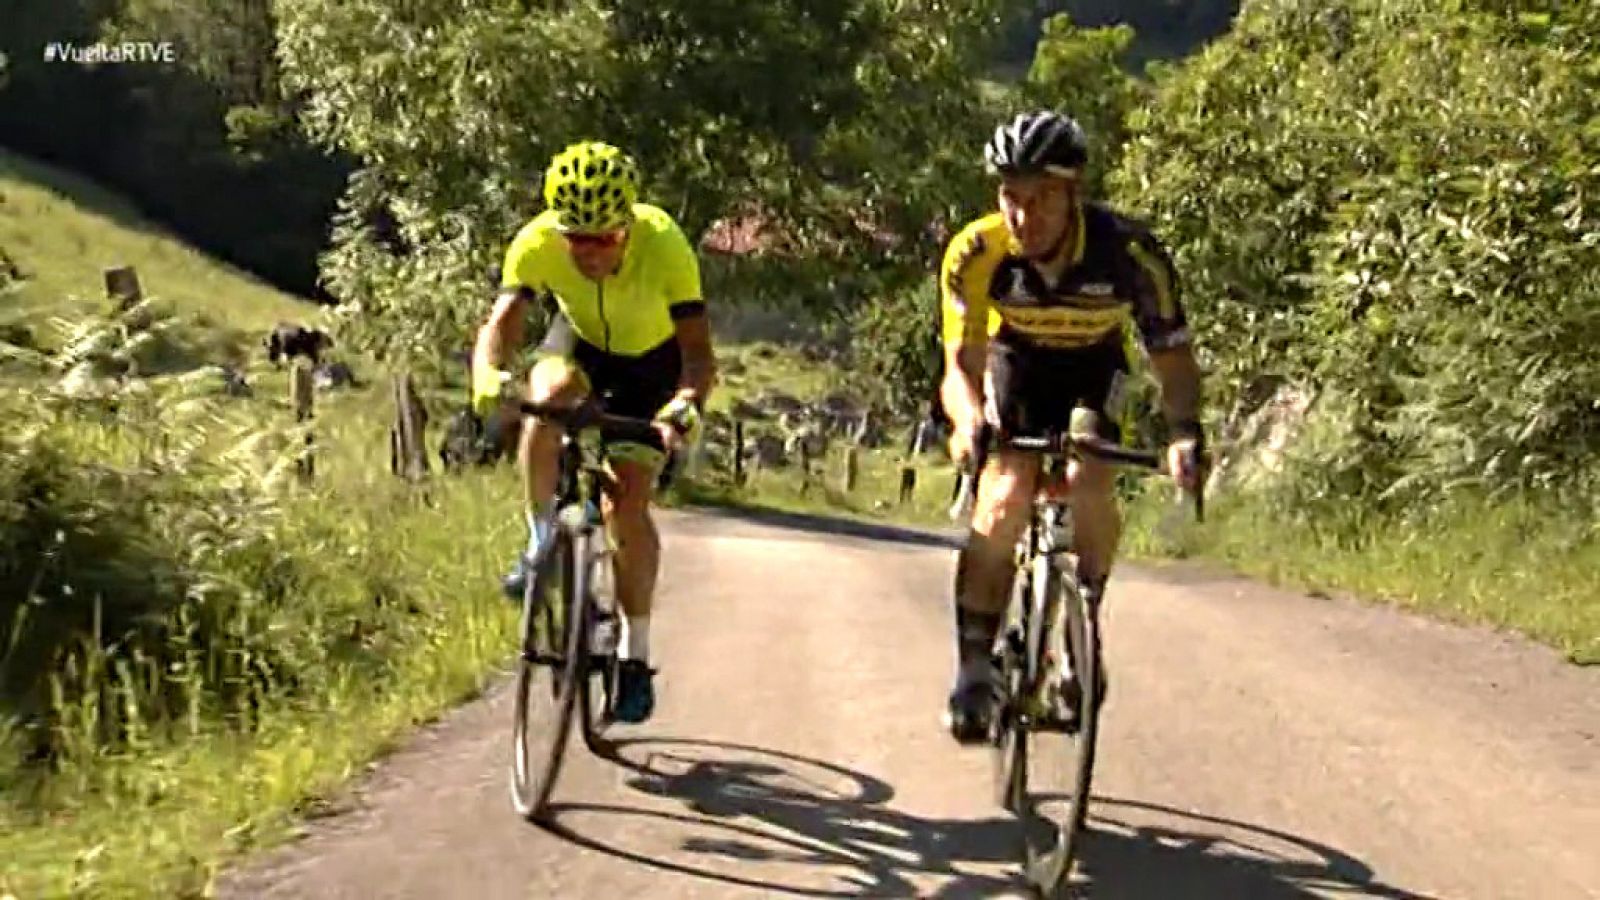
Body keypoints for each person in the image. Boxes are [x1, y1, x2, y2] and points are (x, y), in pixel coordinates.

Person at [937, 111, 1206, 743]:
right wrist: (969, 420)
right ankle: (976, 668)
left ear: (1073, 195)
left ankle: (1083, 622)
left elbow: (1171, 356)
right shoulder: (977, 252)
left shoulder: (1129, 254)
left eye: (1040, 201)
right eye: (1011, 199)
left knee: (1089, 472)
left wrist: (1185, 433)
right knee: (1002, 499)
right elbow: (960, 364)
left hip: (1093, 364)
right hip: (1017, 363)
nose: (1022, 219)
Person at [470, 140, 717, 724]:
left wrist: (685, 405)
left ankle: (635, 657)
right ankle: (539, 543)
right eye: (574, 238)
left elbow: (699, 356)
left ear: (627, 228)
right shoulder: (535, 241)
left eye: (602, 238)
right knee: (544, 399)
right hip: (580, 344)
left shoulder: (665, 245)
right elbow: (500, 326)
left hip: (651, 368)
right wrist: (486, 374)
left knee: (625, 508)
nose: (586, 253)